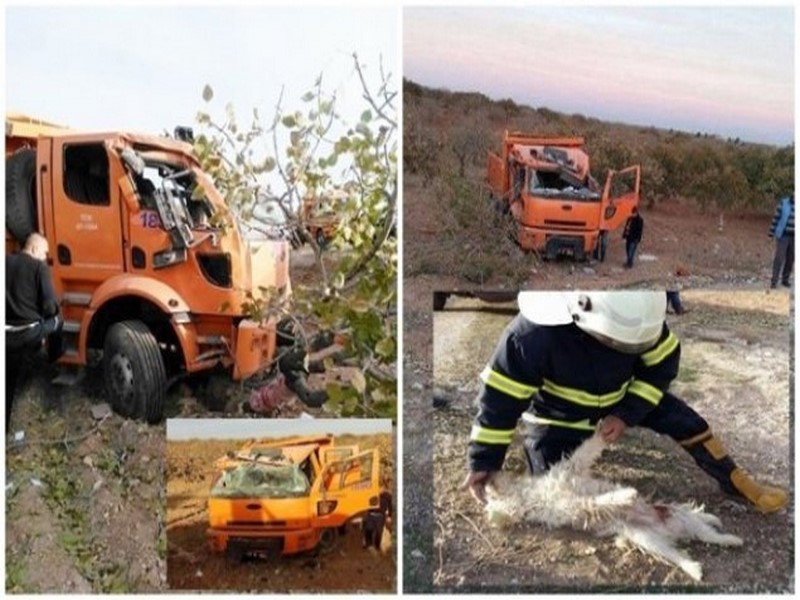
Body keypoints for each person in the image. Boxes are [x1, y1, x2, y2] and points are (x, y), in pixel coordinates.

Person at [463, 291, 787, 514]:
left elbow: (661, 368)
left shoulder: (642, 319)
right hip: (558, 417)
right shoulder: (531, 337)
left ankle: (733, 478)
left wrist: (626, 413)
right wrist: (484, 461)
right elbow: (499, 400)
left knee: (687, 421)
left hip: (625, 397)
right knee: (554, 489)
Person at [6, 233, 63, 432]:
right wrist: (54, 307)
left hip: (6, 335)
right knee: (58, 320)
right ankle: (54, 359)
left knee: (8, 383)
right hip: (29, 334)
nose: (46, 258)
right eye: (45, 253)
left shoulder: (4, 262)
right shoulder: (39, 267)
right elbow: (49, 307)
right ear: (33, 249)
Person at [768, 193, 794, 289]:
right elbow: (776, 218)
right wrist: (771, 233)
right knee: (779, 258)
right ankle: (774, 281)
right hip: (783, 235)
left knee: (791, 259)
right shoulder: (784, 203)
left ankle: (785, 280)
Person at [362, 484, 393, 550]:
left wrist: (389, 516)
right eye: (378, 487)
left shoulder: (387, 496)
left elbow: (390, 506)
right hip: (371, 514)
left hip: (380, 516)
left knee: (379, 532)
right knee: (368, 530)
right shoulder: (371, 493)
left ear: (384, 488)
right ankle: (368, 544)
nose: (380, 489)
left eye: (381, 487)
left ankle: (377, 546)